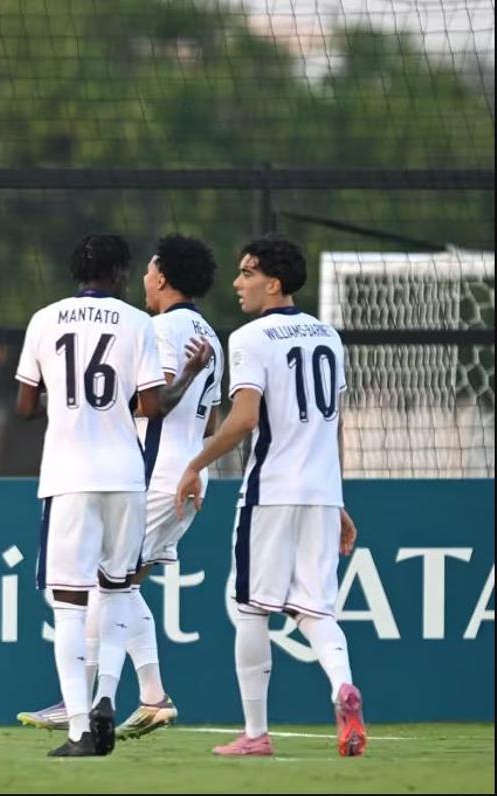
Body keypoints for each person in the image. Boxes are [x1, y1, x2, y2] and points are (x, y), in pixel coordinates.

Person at [16, 235, 219, 739]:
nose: (145, 279)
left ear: (162, 276)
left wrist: (77, 401)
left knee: (102, 587)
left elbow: (151, 401)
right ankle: (150, 696)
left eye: (151, 270)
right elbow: (211, 421)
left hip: (149, 472)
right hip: (187, 470)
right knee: (120, 586)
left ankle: (84, 703)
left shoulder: (161, 327)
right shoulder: (209, 334)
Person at [175, 234, 366, 758]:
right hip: (320, 492)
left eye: (247, 273)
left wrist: (193, 464)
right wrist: (337, 499)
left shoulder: (250, 338)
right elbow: (332, 425)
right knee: (316, 608)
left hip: (271, 492)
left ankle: (256, 733)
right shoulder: (328, 336)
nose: (238, 283)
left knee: (249, 607)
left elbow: (244, 419)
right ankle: (343, 686)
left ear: (274, 283)